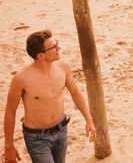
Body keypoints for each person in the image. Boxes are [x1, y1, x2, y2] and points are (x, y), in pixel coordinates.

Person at [3, 30, 96, 163]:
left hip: (61, 129)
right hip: (37, 137)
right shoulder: (21, 78)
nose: (59, 48)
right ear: (40, 56)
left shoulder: (63, 68)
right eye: (54, 47)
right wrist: (9, 146)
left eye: (56, 44)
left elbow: (75, 93)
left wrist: (89, 119)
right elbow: (10, 112)